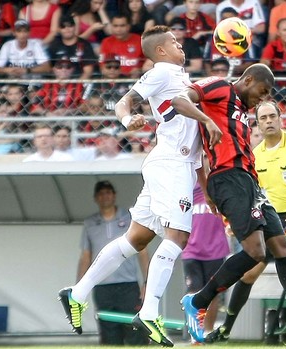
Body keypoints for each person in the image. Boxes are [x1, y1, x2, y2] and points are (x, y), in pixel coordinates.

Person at [58, 25, 222, 348]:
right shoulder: (161, 72)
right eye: (174, 42)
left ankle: (76, 293)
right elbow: (124, 102)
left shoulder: (184, 80)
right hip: (169, 164)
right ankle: (149, 312)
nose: (180, 44)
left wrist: (208, 190)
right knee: (178, 235)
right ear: (160, 51)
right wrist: (126, 120)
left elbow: (198, 148)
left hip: (179, 166)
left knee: (136, 238)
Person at [171, 63, 286, 344]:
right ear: (249, 79)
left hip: (250, 183)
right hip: (229, 179)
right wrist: (206, 121)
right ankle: (199, 301)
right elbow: (179, 100)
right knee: (256, 251)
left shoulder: (241, 112)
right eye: (262, 91)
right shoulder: (219, 87)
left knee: (282, 246)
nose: (263, 98)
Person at [205, 100, 286, 343]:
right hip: (270, 219)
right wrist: (234, 222)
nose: (269, 121)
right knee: (248, 274)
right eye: (264, 118)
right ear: (257, 124)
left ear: (281, 119)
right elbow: (250, 194)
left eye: (273, 116)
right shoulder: (254, 155)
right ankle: (226, 329)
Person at [77, 180, 150, 345]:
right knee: (108, 334)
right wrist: (79, 288)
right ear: (96, 198)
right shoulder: (90, 224)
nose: (105, 196)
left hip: (128, 285)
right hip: (102, 287)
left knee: (135, 331)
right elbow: (85, 257)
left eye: (108, 192)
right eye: (101, 193)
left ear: (114, 195)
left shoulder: (129, 217)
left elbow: (143, 252)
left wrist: (147, 282)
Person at [181, 182, 230, 334]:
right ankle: (195, 334)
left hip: (215, 250)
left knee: (212, 294)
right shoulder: (187, 187)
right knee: (193, 293)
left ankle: (207, 331)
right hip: (191, 250)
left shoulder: (219, 186)